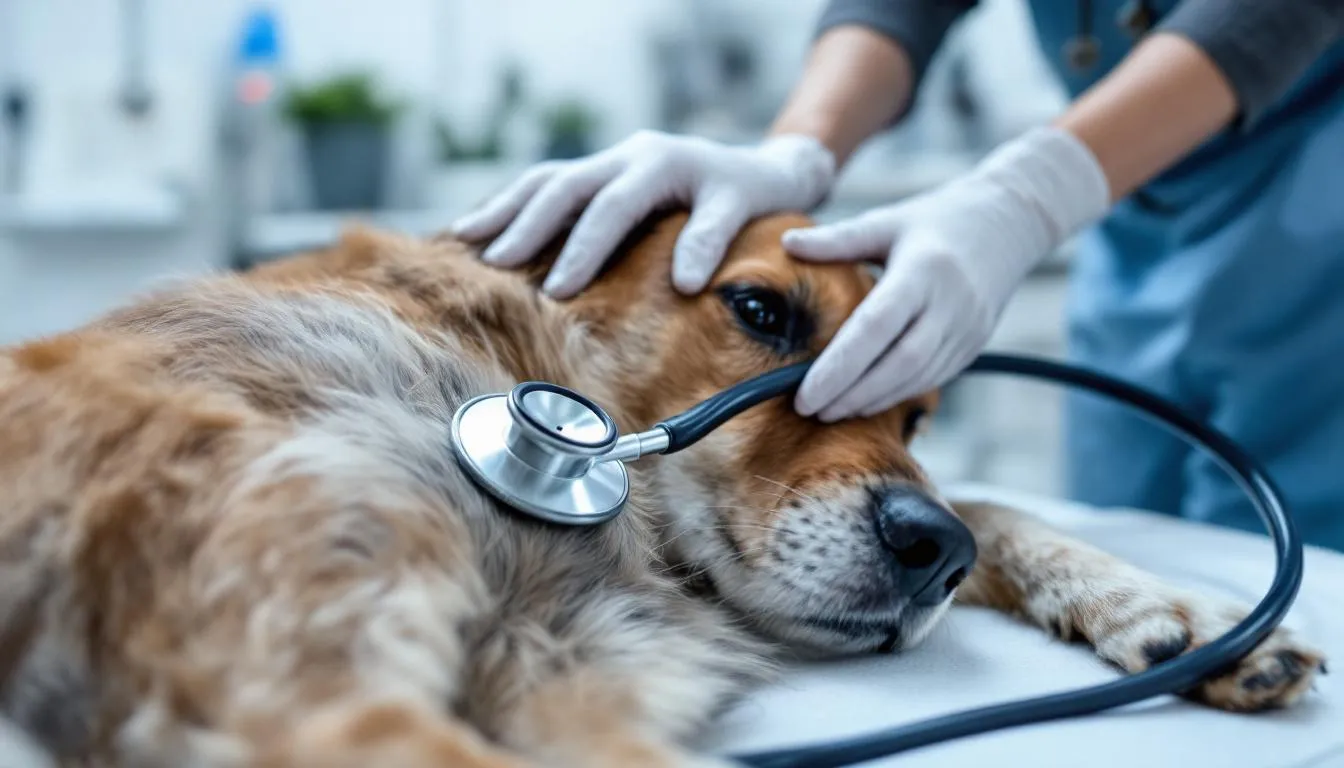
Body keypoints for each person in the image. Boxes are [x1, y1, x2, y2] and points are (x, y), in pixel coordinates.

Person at [449, 1, 1344, 551]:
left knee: (1280, 576)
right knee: (1131, 536)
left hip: (1315, 199)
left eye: (909, 415)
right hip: (1132, 203)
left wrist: (1033, 195)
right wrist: (799, 147)